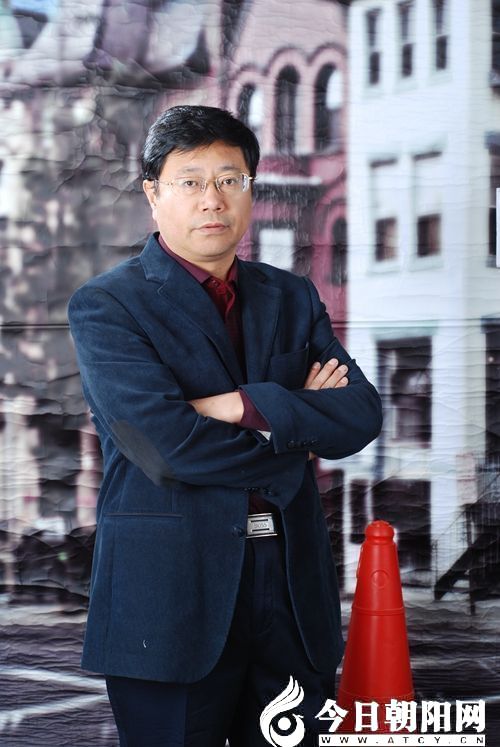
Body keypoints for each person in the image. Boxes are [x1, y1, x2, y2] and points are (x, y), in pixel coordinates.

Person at [68, 105, 382, 747]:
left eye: (230, 179)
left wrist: (237, 405)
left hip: (291, 593)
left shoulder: (291, 296)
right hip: (170, 601)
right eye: (190, 181)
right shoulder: (108, 305)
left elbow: (360, 415)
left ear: (249, 189)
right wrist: (294, 423)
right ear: (153, 193)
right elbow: (166, 448)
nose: (212, 199)